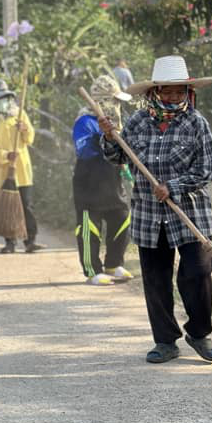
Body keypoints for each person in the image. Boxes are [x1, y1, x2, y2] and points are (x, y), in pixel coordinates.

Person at [100, 56, 212, 364]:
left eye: (179, 92)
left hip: (190, 213)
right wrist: (109, 135)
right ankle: (165, 341)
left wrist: (175, 186)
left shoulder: (196, 123)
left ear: (187, 92)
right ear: (155, 92)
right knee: (155, 278)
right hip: (149, 214)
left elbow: (208, 167)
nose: (173, 97)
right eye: (167, 91)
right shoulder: (139, 121)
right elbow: (118, 157)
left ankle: (199, 332)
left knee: (197, 272)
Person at [72, 75, 133, 285]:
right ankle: (92, 270)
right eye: (113, 100)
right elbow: (84, 150)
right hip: (90, 181)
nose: (116, 105)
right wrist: (104, 136)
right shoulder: (85, 122)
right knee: (91, 227)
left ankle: (114, 264)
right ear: (103, 101)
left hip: (113, 180)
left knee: (122, 218)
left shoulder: (116, 121)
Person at [0, 82, 41, 254]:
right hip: (2, 171)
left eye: (5, 97)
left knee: (26, 205)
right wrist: (6, 155)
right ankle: (10, 242)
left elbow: (30, 139)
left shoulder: (19, 115)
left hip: (22, 168)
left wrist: (24, 129)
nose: (2, 101)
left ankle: (30, 240)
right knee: (7, 208)